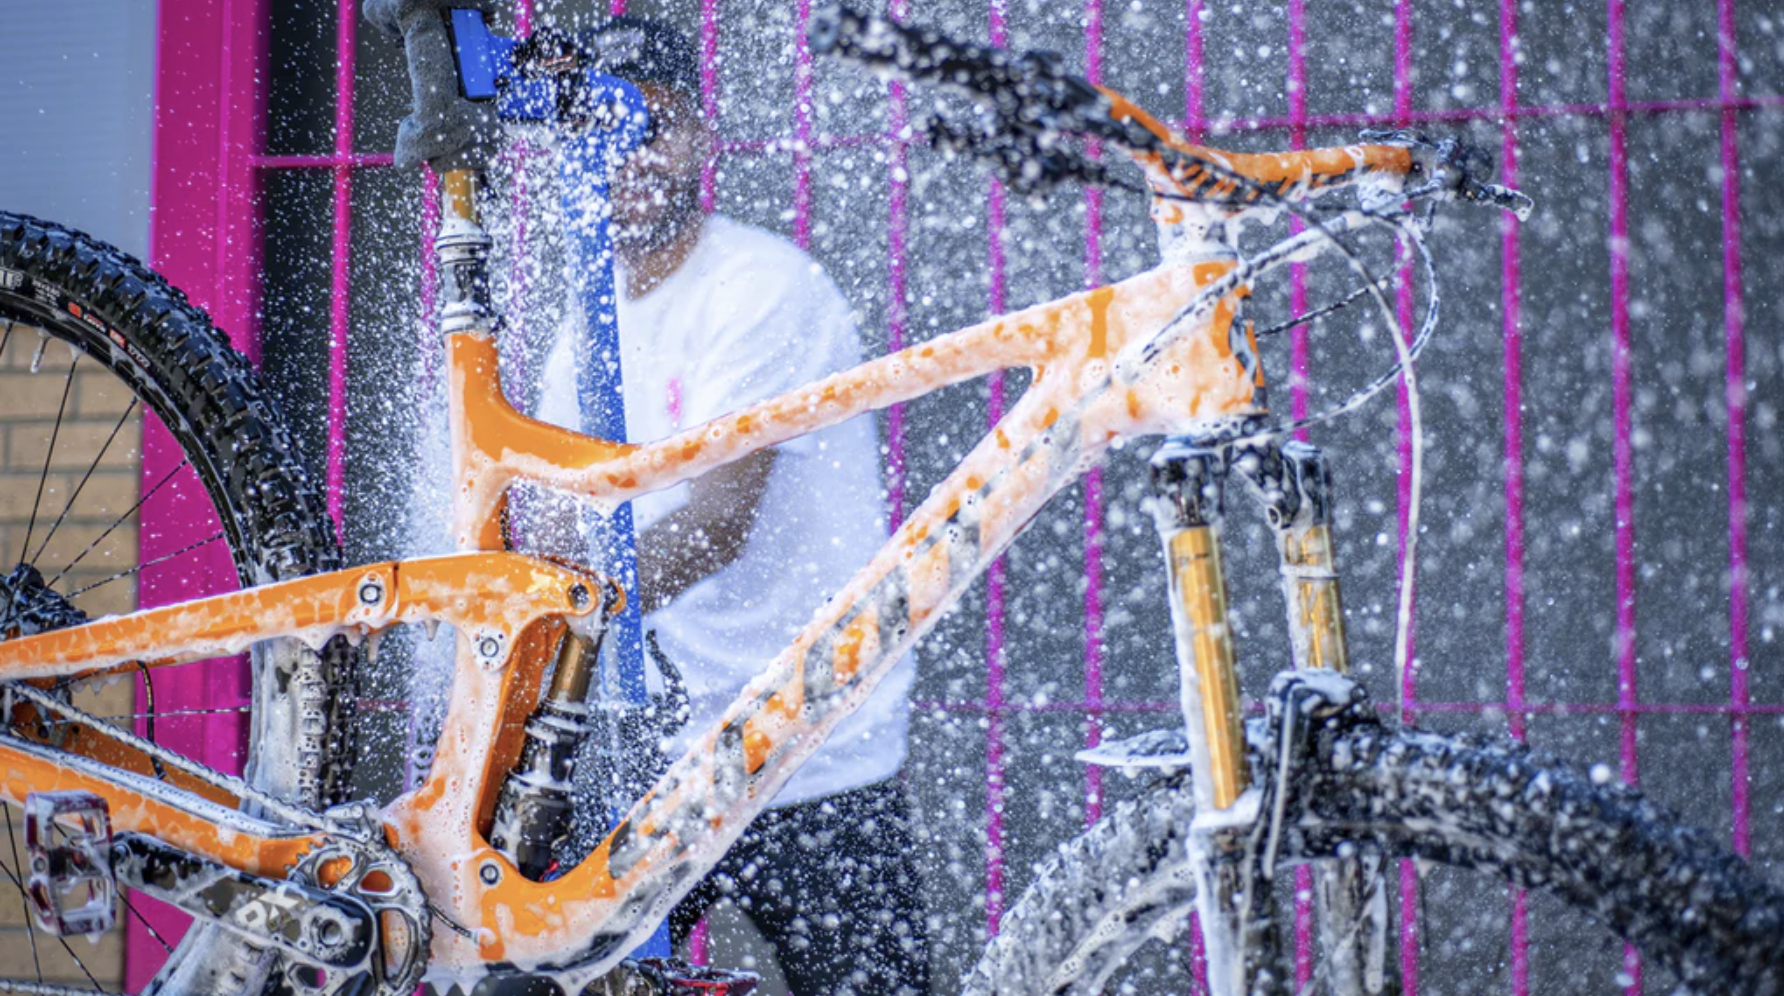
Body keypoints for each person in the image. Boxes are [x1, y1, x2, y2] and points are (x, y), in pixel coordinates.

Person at [529, 17, 928, 996]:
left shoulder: (759, 286)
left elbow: (713, 525)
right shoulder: (586, 322)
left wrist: (569, 606)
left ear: (701, 137)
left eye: (650, 125)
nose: (626, 156)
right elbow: (542, 524)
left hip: (810, 740)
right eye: (597, 131)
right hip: (660, 754)